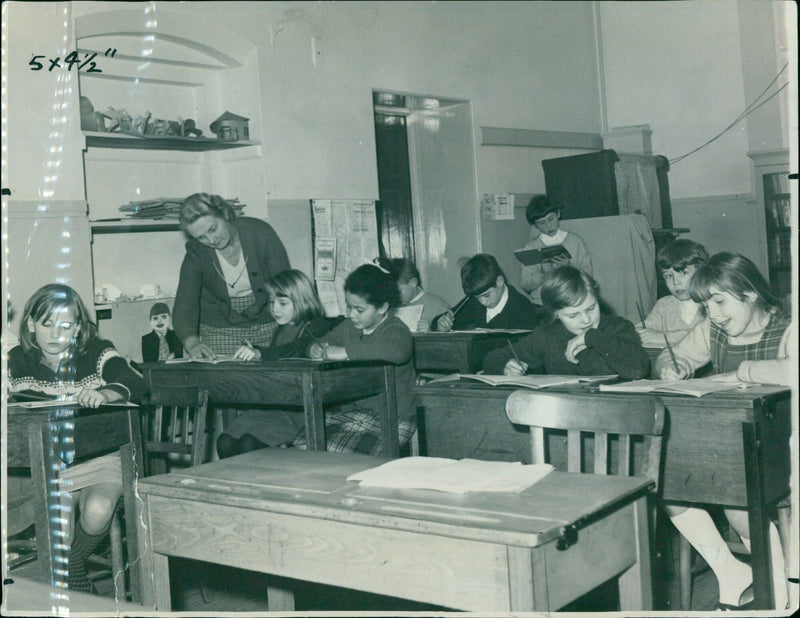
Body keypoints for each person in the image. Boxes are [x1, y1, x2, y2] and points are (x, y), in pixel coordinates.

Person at [656, 252, 791, 610]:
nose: (713, 313)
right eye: (706, 305)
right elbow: (670, 357)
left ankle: (776, 587)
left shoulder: (787, 327)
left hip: (781, 444)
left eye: (719, 301)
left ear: (749, 293)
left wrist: (738, 373)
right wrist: (674, 364)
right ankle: (729, 570)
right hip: (725, 444)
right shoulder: (712, 329)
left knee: (734, 491)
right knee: (663, 480)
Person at [7, 283, 146, 593]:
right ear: (31, 324)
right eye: (47, 324)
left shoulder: (97, 351)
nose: (56, 333)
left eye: (66, 325)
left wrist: (105, 393)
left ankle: (74, 565)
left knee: (97, 511)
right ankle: (76, 570)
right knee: (60, 521)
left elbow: (134, 384)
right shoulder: (19, 359)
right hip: (57, 464)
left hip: (104, 457)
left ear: (80, 327)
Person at [295, 263, 416, 454]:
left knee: (346, 457)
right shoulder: (348, 327)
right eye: (348, 307)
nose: (351, 314)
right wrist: (315, 349)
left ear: (383, 308)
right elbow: (319, 342)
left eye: (359, 310)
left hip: (394, 416)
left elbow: (397, 352)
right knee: (304, 447)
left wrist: (345, 352)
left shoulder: (395, 329)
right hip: (356, 414)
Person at [217, 270, 330, 458]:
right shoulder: (280, 329)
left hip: (298, 408)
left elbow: (296, 349)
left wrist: (260, 352)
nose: (275, 309)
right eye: (271, 302)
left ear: (303, 301)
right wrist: (255, 352)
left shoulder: (316, 326)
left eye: (283, 303)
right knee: (224, 442)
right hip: (272, 403)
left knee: (248, 444)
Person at [172, 193, 290, 359]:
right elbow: (185, 302)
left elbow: (287, 286)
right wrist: (192, 342)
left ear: (225, 215)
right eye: (201, 237)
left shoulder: (260, 233)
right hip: (219, 330)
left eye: (213, 229)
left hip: (267, 322)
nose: (211, 240)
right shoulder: (196, 252)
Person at [482, 265, 650, 379]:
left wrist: (592, 337)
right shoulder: (548, 336)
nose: (586, 319)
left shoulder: (618, 328)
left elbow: (639, 369)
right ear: (556, 315)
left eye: (591, 308)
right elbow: (493, 358)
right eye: (573, 315)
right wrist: (505, 365)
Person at [432, 253, 541, 332]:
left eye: (486, 295)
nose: (483, 302)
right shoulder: (474, 301)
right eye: (477, 297)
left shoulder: (522, 308)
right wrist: (440, 325)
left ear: (500, 281)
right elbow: (445, 318)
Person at [518, 195, 592, 305]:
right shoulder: (530, 247)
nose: (548, 226)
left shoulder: (575, 242)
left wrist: (569, 267)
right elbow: (525, 285)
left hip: (571, 300)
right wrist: (542, 273)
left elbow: (588, 277)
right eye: (542, 223)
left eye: (551, 219)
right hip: (542, 304)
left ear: (558, 214)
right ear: (535, 225)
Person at [636, 239, 709, 348]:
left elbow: (709, 337)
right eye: (668, 276)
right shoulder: (664, 305)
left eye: (683, 273)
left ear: (702, 272)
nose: (676, 282)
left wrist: (665, 337)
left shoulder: (713, 303)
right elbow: (640, 333)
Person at [377, 257, 449, 332]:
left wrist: (430, 333)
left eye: (397, 291)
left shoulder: (437, 306)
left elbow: (448, 340)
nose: (394, 295)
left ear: (413, 283)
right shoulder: (387, 306)